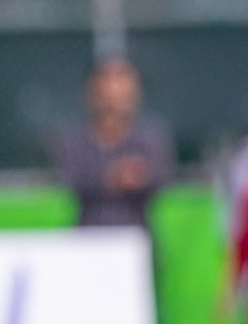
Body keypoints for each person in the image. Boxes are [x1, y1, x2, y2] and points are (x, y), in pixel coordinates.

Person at [55, 59, 172, 229]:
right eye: (107, 94)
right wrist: (111, 178)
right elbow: (71, 179)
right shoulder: (75, 140)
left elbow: (160, 177)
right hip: (90, 235)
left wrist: (138, 177)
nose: (114, 102)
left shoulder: (150, 137)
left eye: (123, 93)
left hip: (137, 232)